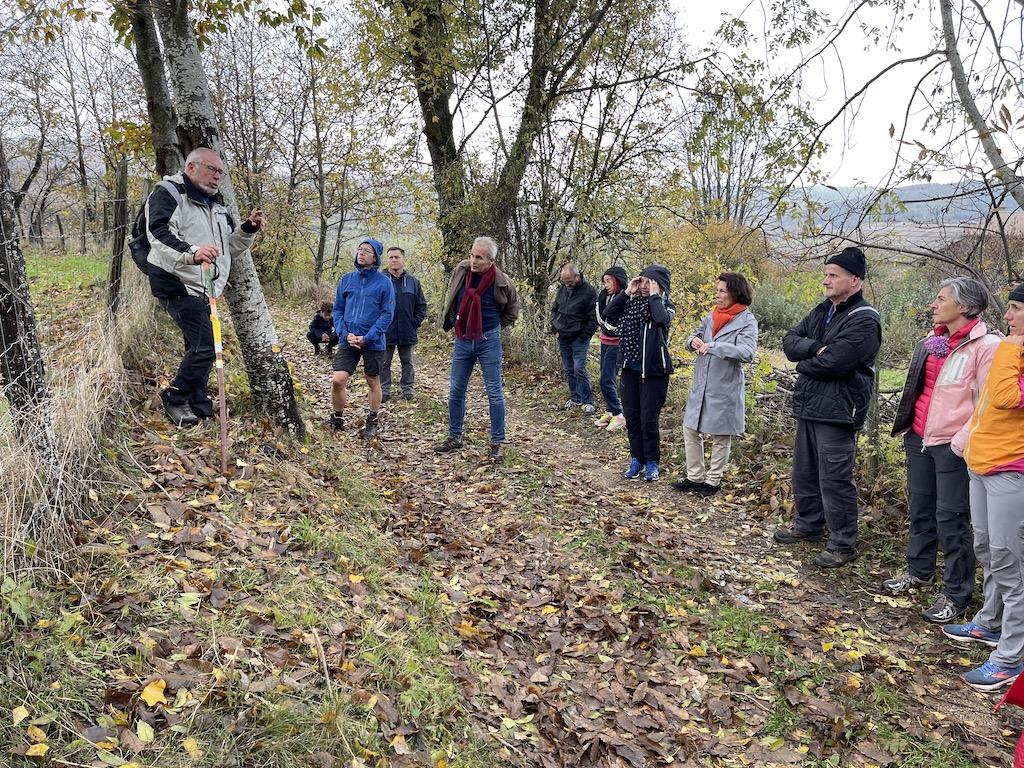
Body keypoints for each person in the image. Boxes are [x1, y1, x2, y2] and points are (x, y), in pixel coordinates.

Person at [886, 277, 999, 623]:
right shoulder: (932, 339)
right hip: (919, 437)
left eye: (941, 298)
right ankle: (919, 571)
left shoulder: (986, 346)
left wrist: (960, 442)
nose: (934, 304)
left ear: (963, 307)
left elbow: (987, 402)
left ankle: (956, 593)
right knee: (921, 509)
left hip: (952, 445)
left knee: (952, 519)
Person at [775, 247, 881, 568]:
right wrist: (813, 350)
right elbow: (789, 340)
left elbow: (835, 362)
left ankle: (843, 542)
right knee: (805, 471)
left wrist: (804, 363)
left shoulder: (865, 319)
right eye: (826, 274)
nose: (826, 280)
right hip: (809, 403)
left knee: (835, 477)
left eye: (833, 275)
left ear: (855, 280)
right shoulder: (823, 311)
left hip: (838, 409)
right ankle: (808, 524)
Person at [143, 147, 265, 426]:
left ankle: (197, 402)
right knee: (207, 346)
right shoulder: (169, 193)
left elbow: (227, 248)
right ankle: (174, 397)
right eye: (212, 169)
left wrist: (247, 229)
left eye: (221, 172)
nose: (217, 177)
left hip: (206, 286)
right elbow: (158, 235)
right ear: (191, 168)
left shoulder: (217, 204)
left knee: (197, 345)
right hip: (177, 281)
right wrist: (192, 252)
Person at [943, 283, 1024, 692]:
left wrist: (1011, 347)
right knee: (987, 548)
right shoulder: (1014, 352)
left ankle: (1012, 658)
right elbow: (987, 405)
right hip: (984, 462)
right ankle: (991, 623)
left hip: (1014, 470)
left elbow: (1008, 397)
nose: (1006, 317)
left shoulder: (1011, 352)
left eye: (1014, 309)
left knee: (1012, 564)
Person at [433, 236, 521, 462]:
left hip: (488, 340)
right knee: (456, 390)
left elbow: (512, 311)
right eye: (472, 255)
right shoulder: (462, 271)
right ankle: (454, 436)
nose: (473, 260)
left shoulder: (502, 281)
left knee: (494, 392)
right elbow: (452, 296)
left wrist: (492, 327)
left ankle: (497, 442)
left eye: (479, 257)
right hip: (462, 339)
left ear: (491, 260)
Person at [672, 272, 758, 498]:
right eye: (717, 290)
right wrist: (692, 341)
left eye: (722, 291)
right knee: (690, 429)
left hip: (724, 386)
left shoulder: (747, 321)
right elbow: (694, 336)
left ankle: (712, 481)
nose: (717, 295)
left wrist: (714, 346)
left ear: (735, 293)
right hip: (702, 383)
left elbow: (747, 353)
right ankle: (694, 476)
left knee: (721, 436)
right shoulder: (711, 316)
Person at [603, 265, 675, 482]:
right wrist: (626, 292)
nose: (644, 286)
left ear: (660, 286)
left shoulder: (666, 307)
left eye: (649, 282)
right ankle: (636, 459)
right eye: (642, 281)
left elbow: (661, 321)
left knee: (648, 420)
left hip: (653, 372)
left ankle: (652, 462)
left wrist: (655, 296)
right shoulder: (630, 304)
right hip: (629, 370)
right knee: (632, 418)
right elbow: (609, 314)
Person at [330, 239, 395, 437]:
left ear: (375, 257)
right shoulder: (347, 279)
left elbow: (387, 313)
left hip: (373, 341)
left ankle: (373, 418)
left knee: (373, 381)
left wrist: (368, 337)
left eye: (366, 251)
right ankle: (337, 417)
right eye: (360, 250)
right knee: (337, 380)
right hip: (348, 338)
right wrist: (344, 333)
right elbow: (338, 309)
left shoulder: (384, 283)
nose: (361, 253)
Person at [381, 247, 428, 402]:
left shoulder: (413, 282)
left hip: (407, 330)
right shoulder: (380, 280)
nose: (394, 260)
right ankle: (384, 390)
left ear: (403, 259)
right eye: (391, 257)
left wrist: (415, 322)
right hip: (385, 330)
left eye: (397, 257)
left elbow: (421, 305)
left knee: (407, 362)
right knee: (384, 362)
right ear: (387, 260)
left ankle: (407, 389)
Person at [551, 263, 598, 415]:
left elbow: (593, 317)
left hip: (579, 338)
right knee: (569, 369)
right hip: (563, 336)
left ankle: (588, 401)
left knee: (579, 368)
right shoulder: (563, 289)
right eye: (564, 281)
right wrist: (554, 327)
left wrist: (584, 335)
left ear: (577, 277)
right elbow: (555, 308)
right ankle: (575, 398)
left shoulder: (589, 291)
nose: (567, 284)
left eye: (570, 281)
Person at [593, 266, 629, 431]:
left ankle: (619, 414)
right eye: (604, 281)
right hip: (605, 340)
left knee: (606, 379)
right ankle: (610, 411)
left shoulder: (625, 298)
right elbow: (601, 315)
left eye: (609, 281)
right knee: (606, 377)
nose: (606, 285)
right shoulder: (603, 296)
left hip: (617, 343)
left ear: (617, 281)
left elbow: (612, 314)